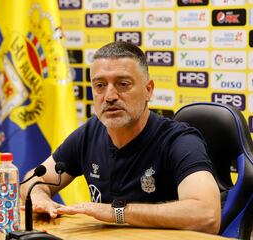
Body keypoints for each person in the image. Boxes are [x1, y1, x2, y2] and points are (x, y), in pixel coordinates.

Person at [21, 41, 221, 234]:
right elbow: (34, 181)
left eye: (123, 84)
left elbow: (207, 215)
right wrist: (40, 198)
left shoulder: (179, 140)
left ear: (148, 90)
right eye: (100, 85)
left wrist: (115, 212)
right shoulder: (90, 132)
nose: (109, 96)